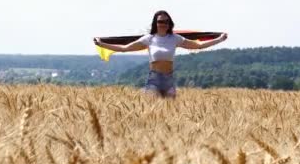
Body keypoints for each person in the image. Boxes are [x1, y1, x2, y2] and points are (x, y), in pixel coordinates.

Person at [93, 10, 227, 98]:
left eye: (166, 22)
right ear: (155, 23)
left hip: (169, 79)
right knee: (153, 112)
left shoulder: (175, 38)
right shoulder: (148, 39)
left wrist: (220, 39)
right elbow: (124, 48)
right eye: (160, 21)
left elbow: (199, 45)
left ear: (170, 24)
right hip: (154, 80)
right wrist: (101, 44)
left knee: (170, 115)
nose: (163, 24)